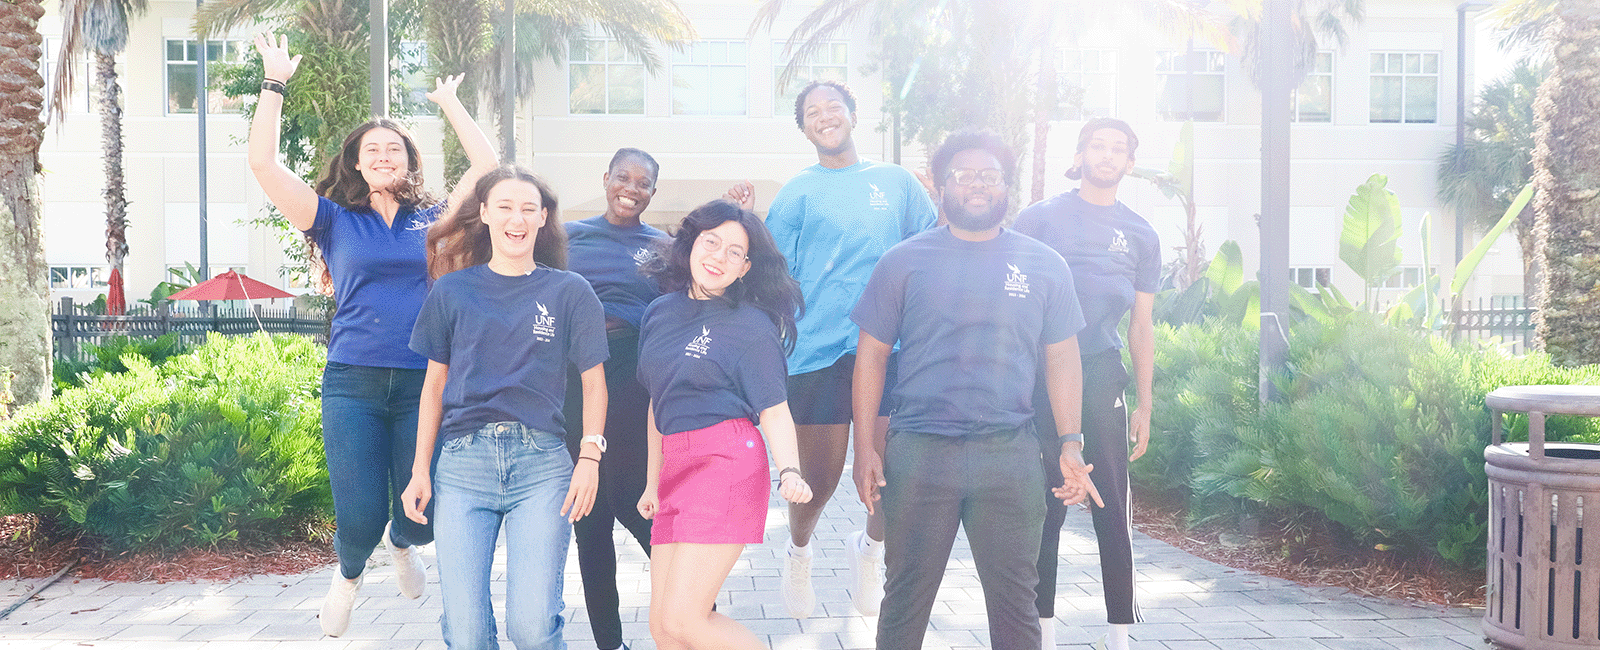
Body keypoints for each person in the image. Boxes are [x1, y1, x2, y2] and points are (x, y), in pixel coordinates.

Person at [245, 33, 500, 637]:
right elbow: (263, 165)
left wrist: (449, 104)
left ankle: (404, 545)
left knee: (423, 513)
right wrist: (274, 84)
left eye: (395, 149)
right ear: (356, 163)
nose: (383, 155)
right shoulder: (331, 219)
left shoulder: (433, 219)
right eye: (372, 149)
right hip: (353, 381)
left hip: (424, 381)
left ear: (411, 162)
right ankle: (351, 574)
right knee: (358, 516)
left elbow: (488, 169)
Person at [850, 131, 1102, 650]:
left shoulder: (1042, 263)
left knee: (1016, 606)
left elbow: (1062, 357)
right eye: (963, 175)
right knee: (904, 601)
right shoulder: (903, 261)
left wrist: (1071, 442)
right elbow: (871, 356)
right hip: (919, 452)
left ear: (1007, 186)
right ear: (941, 186)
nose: (977, 185)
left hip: (1009, 455)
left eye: (989, 175)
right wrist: (865, 448)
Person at [734, 79, 937, 619]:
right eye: (812, 112)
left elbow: (931, 250)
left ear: (852, 114)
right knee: (817, 482)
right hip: (817, 354)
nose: (825, 117)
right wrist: (749, 222)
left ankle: (870, 552)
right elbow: (773, 275)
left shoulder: (896, 183)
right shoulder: (798, 192)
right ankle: (798, 552)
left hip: (892, 352)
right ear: (803, 127)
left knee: (890, 478)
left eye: (833, 107)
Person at [400, 165, 607, 650]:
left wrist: (590, 458)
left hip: (542, 466)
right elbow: (434, 386)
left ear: (542, 219)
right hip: (463, 465)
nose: (517, 218)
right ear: (486, 213)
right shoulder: (452, 290)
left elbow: (594, 383)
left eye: (528, 208)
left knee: (532, 628)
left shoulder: (569, 291)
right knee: (467, 634)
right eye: (506, 206)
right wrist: (419, 470)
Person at [634, 200, 814, 650]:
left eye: (735, 252)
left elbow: (774, 410)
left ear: (746, 267)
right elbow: (659, 401)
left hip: (725, 462)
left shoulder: (751, 326)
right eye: (711, 242)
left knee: (686, 619)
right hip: (674, 466)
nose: (718, 256)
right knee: (663, 628)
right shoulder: (659, 312)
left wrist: (790, 469)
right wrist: (653, 482)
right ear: (692, 243)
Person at [1013, 118, 1159, 650]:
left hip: (1101, 376)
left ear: (1128, 162)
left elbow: (1141, 327)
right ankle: (1042, 632)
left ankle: (1120, 633)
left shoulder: (1141, 233)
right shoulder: (1040, 218)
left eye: (1118, 148)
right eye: (1098, 145)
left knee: (1111, 508)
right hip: (1038, 376)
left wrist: (1145, 402)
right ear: (1081, 154)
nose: (1107, 154)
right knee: (1044, 507)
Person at [561, 148, 668, 650]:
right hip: (575, 373)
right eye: (622, 177)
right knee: (589, 516)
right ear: (605, 179)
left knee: (632, 497)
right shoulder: (567, 237)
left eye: (643, 182)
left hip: (632, 374)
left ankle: (697, 611)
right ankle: (610, 642)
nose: (631, 187)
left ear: (652, 192)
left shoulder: (664, 247)